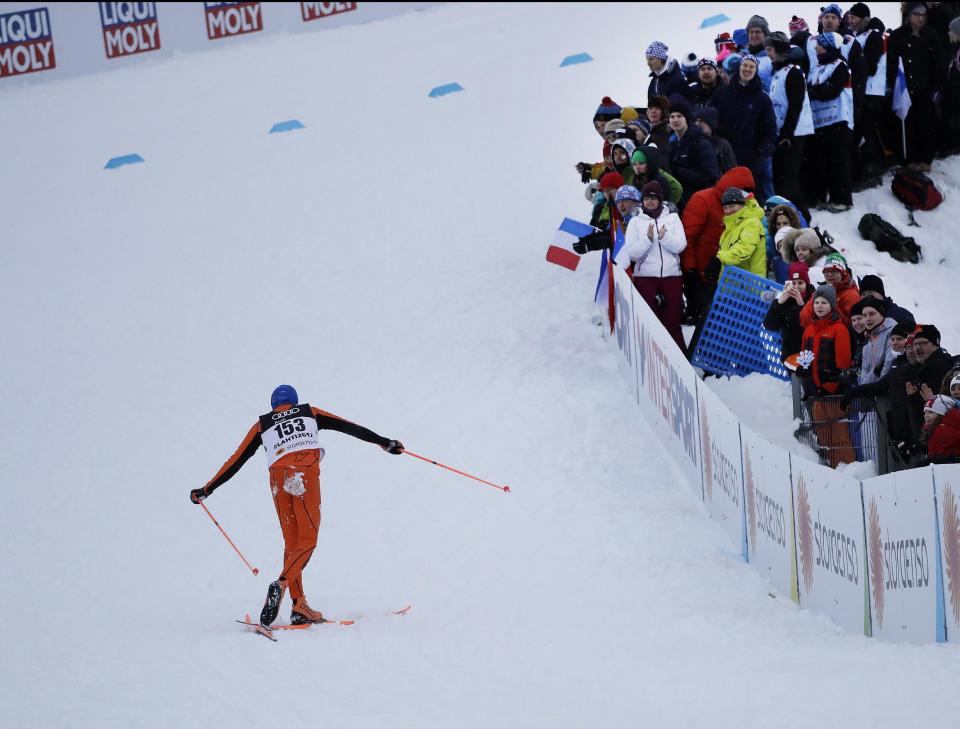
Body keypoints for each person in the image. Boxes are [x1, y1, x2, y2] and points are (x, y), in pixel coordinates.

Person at [191, 385, 404, 627]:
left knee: (292, 543)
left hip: (278, 481)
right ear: (294, 401)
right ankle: (281, 585)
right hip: (303, 475)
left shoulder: (262, 425)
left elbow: (236, 460)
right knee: (308, 540)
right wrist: (385, 443)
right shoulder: (309, 412)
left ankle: (299, 605)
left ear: (274, 405)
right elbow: (350, 427)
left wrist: (206, 489)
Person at [680, 166, 756, 324]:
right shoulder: (703, 200)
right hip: (702, 274)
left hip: (728, 276)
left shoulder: (746, 206)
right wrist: (691, 270)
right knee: (705, 325)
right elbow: (688, 237)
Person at [618, 181, 688, 352]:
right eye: (646, 198)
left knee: (672, 321)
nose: (649, 202)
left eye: (653, 198)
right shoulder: (635, 221)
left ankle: (680, 359)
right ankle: (652, 356)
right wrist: (647, 240)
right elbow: (632, 253)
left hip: (672, 275)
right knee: (651, 321)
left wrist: (664, 238)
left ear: (660, 199)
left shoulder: (672, 218)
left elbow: (680, 245)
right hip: (645, 277)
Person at [798, 284, 855, 466]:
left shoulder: (840, 330)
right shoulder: (809, 330)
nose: (819, 306)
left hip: (833, 395)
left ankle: (846, 468)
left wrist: (829, 387)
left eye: (824, 302)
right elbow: (806, 357)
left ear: (832, 305)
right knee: (824, 437)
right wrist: (802, 368)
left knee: (839, 437)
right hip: (816, 395)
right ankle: (830, 468)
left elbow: (843, 364)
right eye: (816, 302)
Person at [886, 3, 945, 172]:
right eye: (916, 14)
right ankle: (908, 159)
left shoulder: (931, 35)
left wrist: (937, 87)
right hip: (904, 89)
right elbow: (891, 62)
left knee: (926, 124)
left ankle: (925, 159)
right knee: (907, 123)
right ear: (909, 15)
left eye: (923, 15)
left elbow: (938, 64)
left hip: (926, 89)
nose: (920, 18)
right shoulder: (898, 35)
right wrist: (893, 82)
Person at [711, 53, 778, 203]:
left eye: (751, 66)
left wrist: (766, 147)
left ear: (756, 70)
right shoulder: (722, 94)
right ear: (739, 67)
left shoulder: (763, 98)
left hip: (753, 155)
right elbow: (711, 120)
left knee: (757, 195)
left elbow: (769, 127)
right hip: (727, 153)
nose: (747, 69)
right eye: (744, 65)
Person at [766, 30, 815, 213]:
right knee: (783, 178)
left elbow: (796, 105)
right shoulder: (779, 72)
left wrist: (786, 134)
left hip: (794, 133)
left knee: (787, 179)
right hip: (783, 132)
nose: (768, 53)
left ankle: (803, 218)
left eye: (770, 49)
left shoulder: (793, 71)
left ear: (778, 49)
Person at [806, 32, 854, 212]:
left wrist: (817, 91)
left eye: (821, 45)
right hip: (819, 121)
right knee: (820, 161)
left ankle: (841, 199)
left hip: (838, 119)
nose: (817, 48)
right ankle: (820, 196)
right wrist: (818, 90)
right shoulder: (815, 69)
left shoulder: (840, 65)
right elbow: (809, 90)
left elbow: (832, 91)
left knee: (838, 161)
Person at [846, 3, 889, 184]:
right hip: (861, 90)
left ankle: (871, 170)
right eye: (849, 18)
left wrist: (854, 69)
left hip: (872, 91)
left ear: (864, 18)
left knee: (866, 129)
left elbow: (870, 65)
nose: (851, 21)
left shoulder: (873, 36)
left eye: (854, 18)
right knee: (862, 129)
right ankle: (864, 168)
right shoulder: (859, 36)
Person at [703, 186, 766, 282]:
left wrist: (720, 259)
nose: (728, 211)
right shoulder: (728, 230)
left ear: (742, 205)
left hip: (749, 287)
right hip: (732, 287)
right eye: (725, 207)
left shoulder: (752, 223)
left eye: (732, 206)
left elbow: (744, 249)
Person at [666, 95, 719, 208]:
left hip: (698, 200)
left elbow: (710, 177)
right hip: (680, 201)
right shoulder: (673, 145)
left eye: (679, 116)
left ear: (686, 119)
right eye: (672, 116)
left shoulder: (700, 143)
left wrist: (680, 171)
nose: (675, 120)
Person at [763, 263, 812, 361]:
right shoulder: (785, 300)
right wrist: (779, 302)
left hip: (809, 353)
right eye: (793, 283)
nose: (796, 287)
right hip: (790, 355)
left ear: (807, 284)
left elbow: (810, 327)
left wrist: (801, 305)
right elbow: (769, 325)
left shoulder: (813, 299)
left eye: (800, 283)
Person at [799, 252, 860, 327]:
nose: (830, 274)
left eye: (834, 271)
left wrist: (832, 306)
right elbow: (804, 318)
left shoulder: (851, 295)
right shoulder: (821, 291)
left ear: (843, 273)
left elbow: (854, 326)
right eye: (826, 271)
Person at [691, 107, 737, 174]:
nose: (697, 124)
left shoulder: (722, 144)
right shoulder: (691, 142)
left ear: (711, 123)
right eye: (696, 121)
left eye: (702, 121)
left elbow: (733, 170)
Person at [644, 95, 674, 168]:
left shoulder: (664, 131)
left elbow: (664, 159)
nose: (653, 111)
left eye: (657, 108)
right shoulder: (653, 131)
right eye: (651, 108)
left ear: (664, 111)